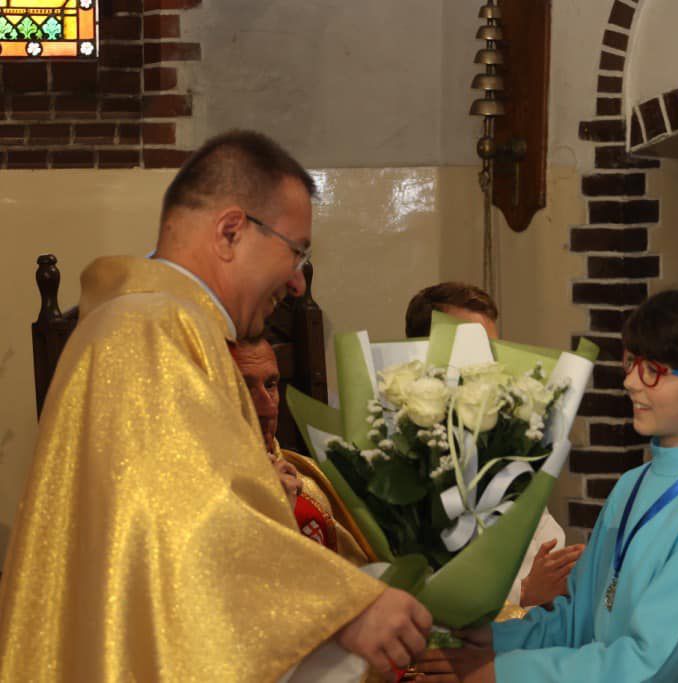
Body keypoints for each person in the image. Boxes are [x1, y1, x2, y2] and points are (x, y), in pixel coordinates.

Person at [0, 130, 431, 680]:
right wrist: (343, 608)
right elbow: (190, 523)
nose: (297, 282)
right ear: (231, 232)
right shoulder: (151, 330)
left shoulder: (148, 322)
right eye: (296, 251)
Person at [418, 283, 678, 683]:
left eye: (654, 371)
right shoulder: (633, 483)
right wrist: (493, 639)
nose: (630, 382)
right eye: (631, 362)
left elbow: (650, 668)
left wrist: (501, 674)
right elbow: (577, 621)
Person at [406, 281, 583, 610]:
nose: (487, 367)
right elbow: (406, 576)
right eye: (473, 352)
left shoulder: (507, 440)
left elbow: (545, 547)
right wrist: (522, 595)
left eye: (492, 352)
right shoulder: (398, 453)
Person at [230, 337, 375, 564]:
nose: (268, 406)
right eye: (245, 388)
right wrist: (272, 507)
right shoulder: (205, 495)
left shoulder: (311, 474)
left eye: (270, 384)